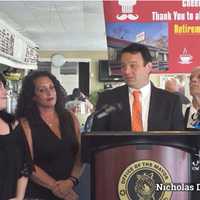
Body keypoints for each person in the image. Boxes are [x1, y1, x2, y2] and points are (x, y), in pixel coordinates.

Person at [15, 71, 82, 200]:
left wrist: (71, 181)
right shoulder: (25, 124)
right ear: (33, 96)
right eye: (42, 90)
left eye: (51, 88)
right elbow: (27, 164)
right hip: (39, 193)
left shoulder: (70, 117)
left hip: (71, 189)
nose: (49, 93)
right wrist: (56, 187)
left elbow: (80, 154)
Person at [92, 43, 184, 131]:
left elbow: (179, 141)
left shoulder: (171, 101)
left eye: (133, 66)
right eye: (123, 66)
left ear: (148, 67)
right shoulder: (107, 99)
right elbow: (96, 138)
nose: (126, 71)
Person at [0, 73, 32, 200]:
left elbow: (25, 164)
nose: (4, 91)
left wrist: (19, 197)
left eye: (3, 86)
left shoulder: (13, 124)